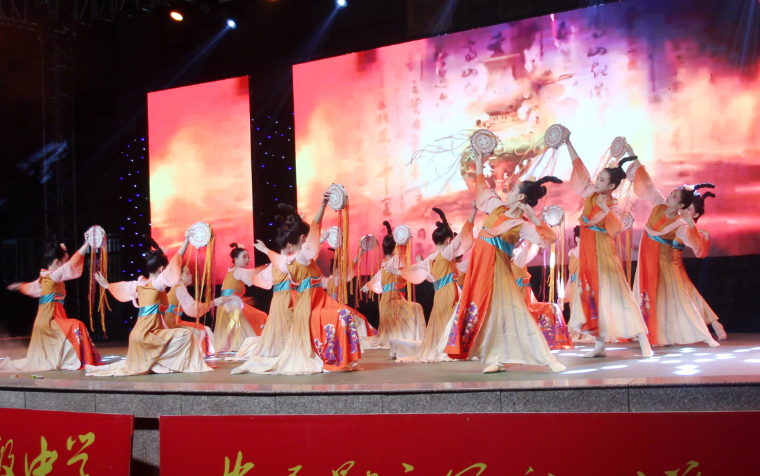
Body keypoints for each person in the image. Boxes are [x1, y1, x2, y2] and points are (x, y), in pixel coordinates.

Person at [441, 150, 566, 373]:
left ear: (521, 198)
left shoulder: (522, 224)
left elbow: (548, 239)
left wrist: (536, 219)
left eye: (513, 190)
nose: (508, 192)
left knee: (517, 313)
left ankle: (548, 359)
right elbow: (482, 190)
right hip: (480, 271)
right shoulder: (497, 207)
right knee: (489, 314)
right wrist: (479, 161)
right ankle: (496, 358)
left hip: (499, 273)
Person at [232, 197, 362, 375]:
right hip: (309, 303)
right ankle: (334, 358)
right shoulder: (296, 258)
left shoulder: (293, 259)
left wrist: (267, 250)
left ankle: (336, 357)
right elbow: (315, 228)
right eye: (307, 238)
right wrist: (322, 206)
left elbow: (309, 243)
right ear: (302, 238)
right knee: (342, 315)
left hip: (312, 301)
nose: (310, 240)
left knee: (343, 314)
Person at [564, 134, 653, 358]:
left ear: (612, 186)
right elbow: (580, 170)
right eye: (599, 178)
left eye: (602, 180)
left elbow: (616, 229)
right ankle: (599, 346)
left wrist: (605, 210)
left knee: (619, 296)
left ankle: (644, 341)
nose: (597, 182)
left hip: (604, 253)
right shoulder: (591, 194)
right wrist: (568, 142)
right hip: (588, 252)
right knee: (593, 296)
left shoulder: (613, 206)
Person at [86, 233, 224, 376]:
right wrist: (186, 241)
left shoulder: (139, 284)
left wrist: (107, 285)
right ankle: (164, 366)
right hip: (149, 333)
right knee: (185, 335)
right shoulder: (157, 284)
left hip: (138, 333)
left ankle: (99, 369)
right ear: (161, 270)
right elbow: (176, 262)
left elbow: (122, 287)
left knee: (138, 363)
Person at [628, 152, 719, 347]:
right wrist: (632, 156)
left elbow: (697, 247)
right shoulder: (659, 203)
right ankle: (654, 334)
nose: (670, 196)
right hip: (647, 259)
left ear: (681, 205)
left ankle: (706, 336)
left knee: (679, 298)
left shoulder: (680, 224)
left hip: (665, 263)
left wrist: (691, 224)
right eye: (672, 193)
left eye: (675, 196)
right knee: (649, 297)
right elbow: (648, 183)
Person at [392, 204, 476, 362]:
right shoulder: (447, 252)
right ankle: (452, 349)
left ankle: (444, 347)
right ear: (449, 240)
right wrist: (474, 211)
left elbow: (417, 271)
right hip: (450, 291)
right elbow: (464, 234)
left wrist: (399, 272)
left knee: (441, 320)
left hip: (439, 294)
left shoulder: (430, 258)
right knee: (452, 319)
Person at [1, 241, 102, 372]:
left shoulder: (44, 277)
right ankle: (79, 360)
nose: (67, 262)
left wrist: (19, 286)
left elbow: (31, 287)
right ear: (57, 262)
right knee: (77, 325)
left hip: (45, 319)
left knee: (74, 326)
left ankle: (71, 359)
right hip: (50, 320)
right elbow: (72, 265)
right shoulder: (53, 275)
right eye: (65, 259)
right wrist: (87, 244)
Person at [360, 221, 427, 353]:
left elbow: (376, 280)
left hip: (389, 301)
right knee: (417, 308)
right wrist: (405, 238)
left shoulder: (385, 264)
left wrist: (368, 285)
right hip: (391, 302)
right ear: (395, 248)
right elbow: (400, 252)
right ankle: (417, 340)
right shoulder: (393, 261)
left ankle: (409, 339)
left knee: (414, 308)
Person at [510, 241, 573, 350]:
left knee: (552, 308)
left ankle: (552, 340)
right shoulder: (516, 263)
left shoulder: (517, 263)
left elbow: (529, 251)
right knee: (549, 309)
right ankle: (547, 341)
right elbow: (528, 250)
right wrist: (532, 239)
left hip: (526, 300)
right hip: (519, 301)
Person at [682, 191, 727, 340]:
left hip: (671, 263)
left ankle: (711, 326)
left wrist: (705, 237)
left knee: (690, 296)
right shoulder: (677, 222)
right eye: (684, 207)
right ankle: (715, 324)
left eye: (689, 209)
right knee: (690, 296)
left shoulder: (687, 228)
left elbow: (699, 252)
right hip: (661, 261)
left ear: (695, 215)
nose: (684, 210)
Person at [213, 243, 269, 353]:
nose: (247, 260)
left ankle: (240, 346)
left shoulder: (232, 271)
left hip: (225, 305)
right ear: (235, 259)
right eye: (244, 257)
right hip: (231, 306)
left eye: (248, 257)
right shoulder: (238, 271)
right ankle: (256, 344)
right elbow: (254, 273)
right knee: (261, 316)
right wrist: (269, 266)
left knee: (235, 330)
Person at [165, 265, 220, 357]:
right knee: (200, 329)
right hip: (171, 323)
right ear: (179, 276)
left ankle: (199, 353)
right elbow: (192, 308)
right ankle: (196, 354)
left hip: (173, 321)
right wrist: (212, 303)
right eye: (187, 273)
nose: (191, 275)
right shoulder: (179, 288)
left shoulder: (176, 288)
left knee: (202, 328)